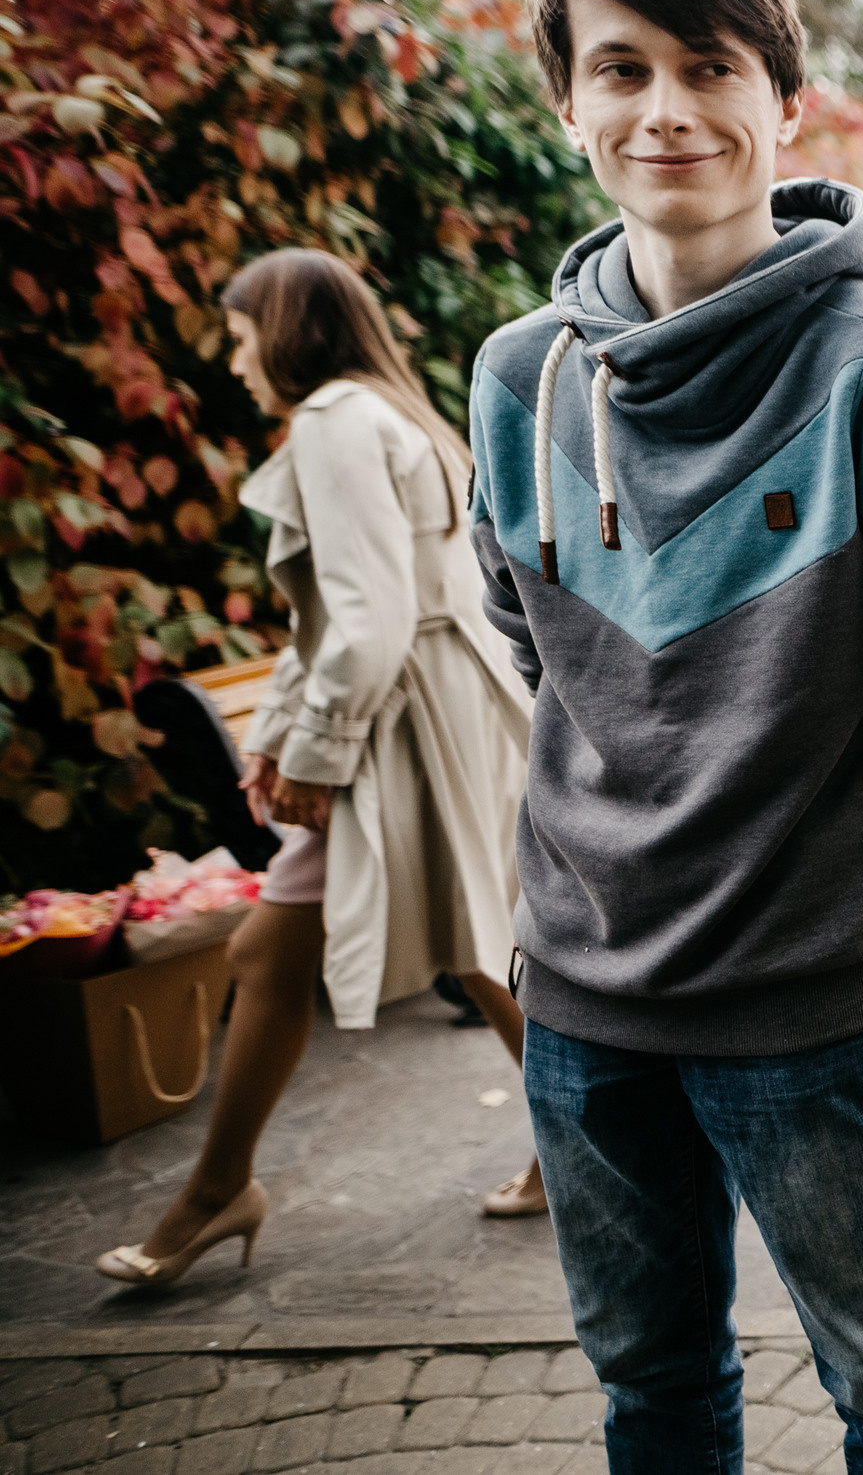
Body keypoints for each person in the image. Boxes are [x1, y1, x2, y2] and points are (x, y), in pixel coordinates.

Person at [468, 0, 863, 1473]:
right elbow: (540, 647)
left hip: (814, 1007)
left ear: (785, 102)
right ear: (567, 103)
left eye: (710, 65)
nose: (667, 109)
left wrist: (859, 892)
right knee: (649, 1384)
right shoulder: (519, 376)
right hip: (582, 996)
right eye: (621, 67)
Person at [97, 249, 540, 1290]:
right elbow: (346, 617)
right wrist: (278, 735)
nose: (233, 360)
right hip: (430, 714)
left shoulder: (337, 422)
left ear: (287, 330)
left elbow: (366, 619)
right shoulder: (396, 412)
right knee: (471, 945)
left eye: (239, 335)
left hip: (393, 728)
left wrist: (314, 753)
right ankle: (597, 1142)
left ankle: (217, 1192)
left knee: (275, 954)